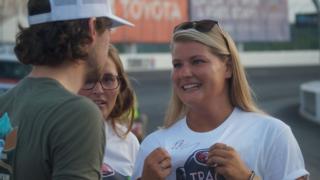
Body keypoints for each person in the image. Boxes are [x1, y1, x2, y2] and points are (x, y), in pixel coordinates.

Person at [132, 20, 309, 180]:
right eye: (177, 64)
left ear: (228, 68)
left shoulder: (272, 134)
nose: (184, 73)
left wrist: (247, 177)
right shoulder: (154, 146)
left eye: (197, 61)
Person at [0, 0, 133, 179]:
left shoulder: (5, 103)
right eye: (108, 28)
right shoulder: (78, 114)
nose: (110, 37)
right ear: (92, 28)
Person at [79, 44, 139, 180]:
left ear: (120, 86)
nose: (99, 90)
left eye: (108, 79)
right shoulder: (53, 137)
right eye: (88, 80)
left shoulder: (129, 143)